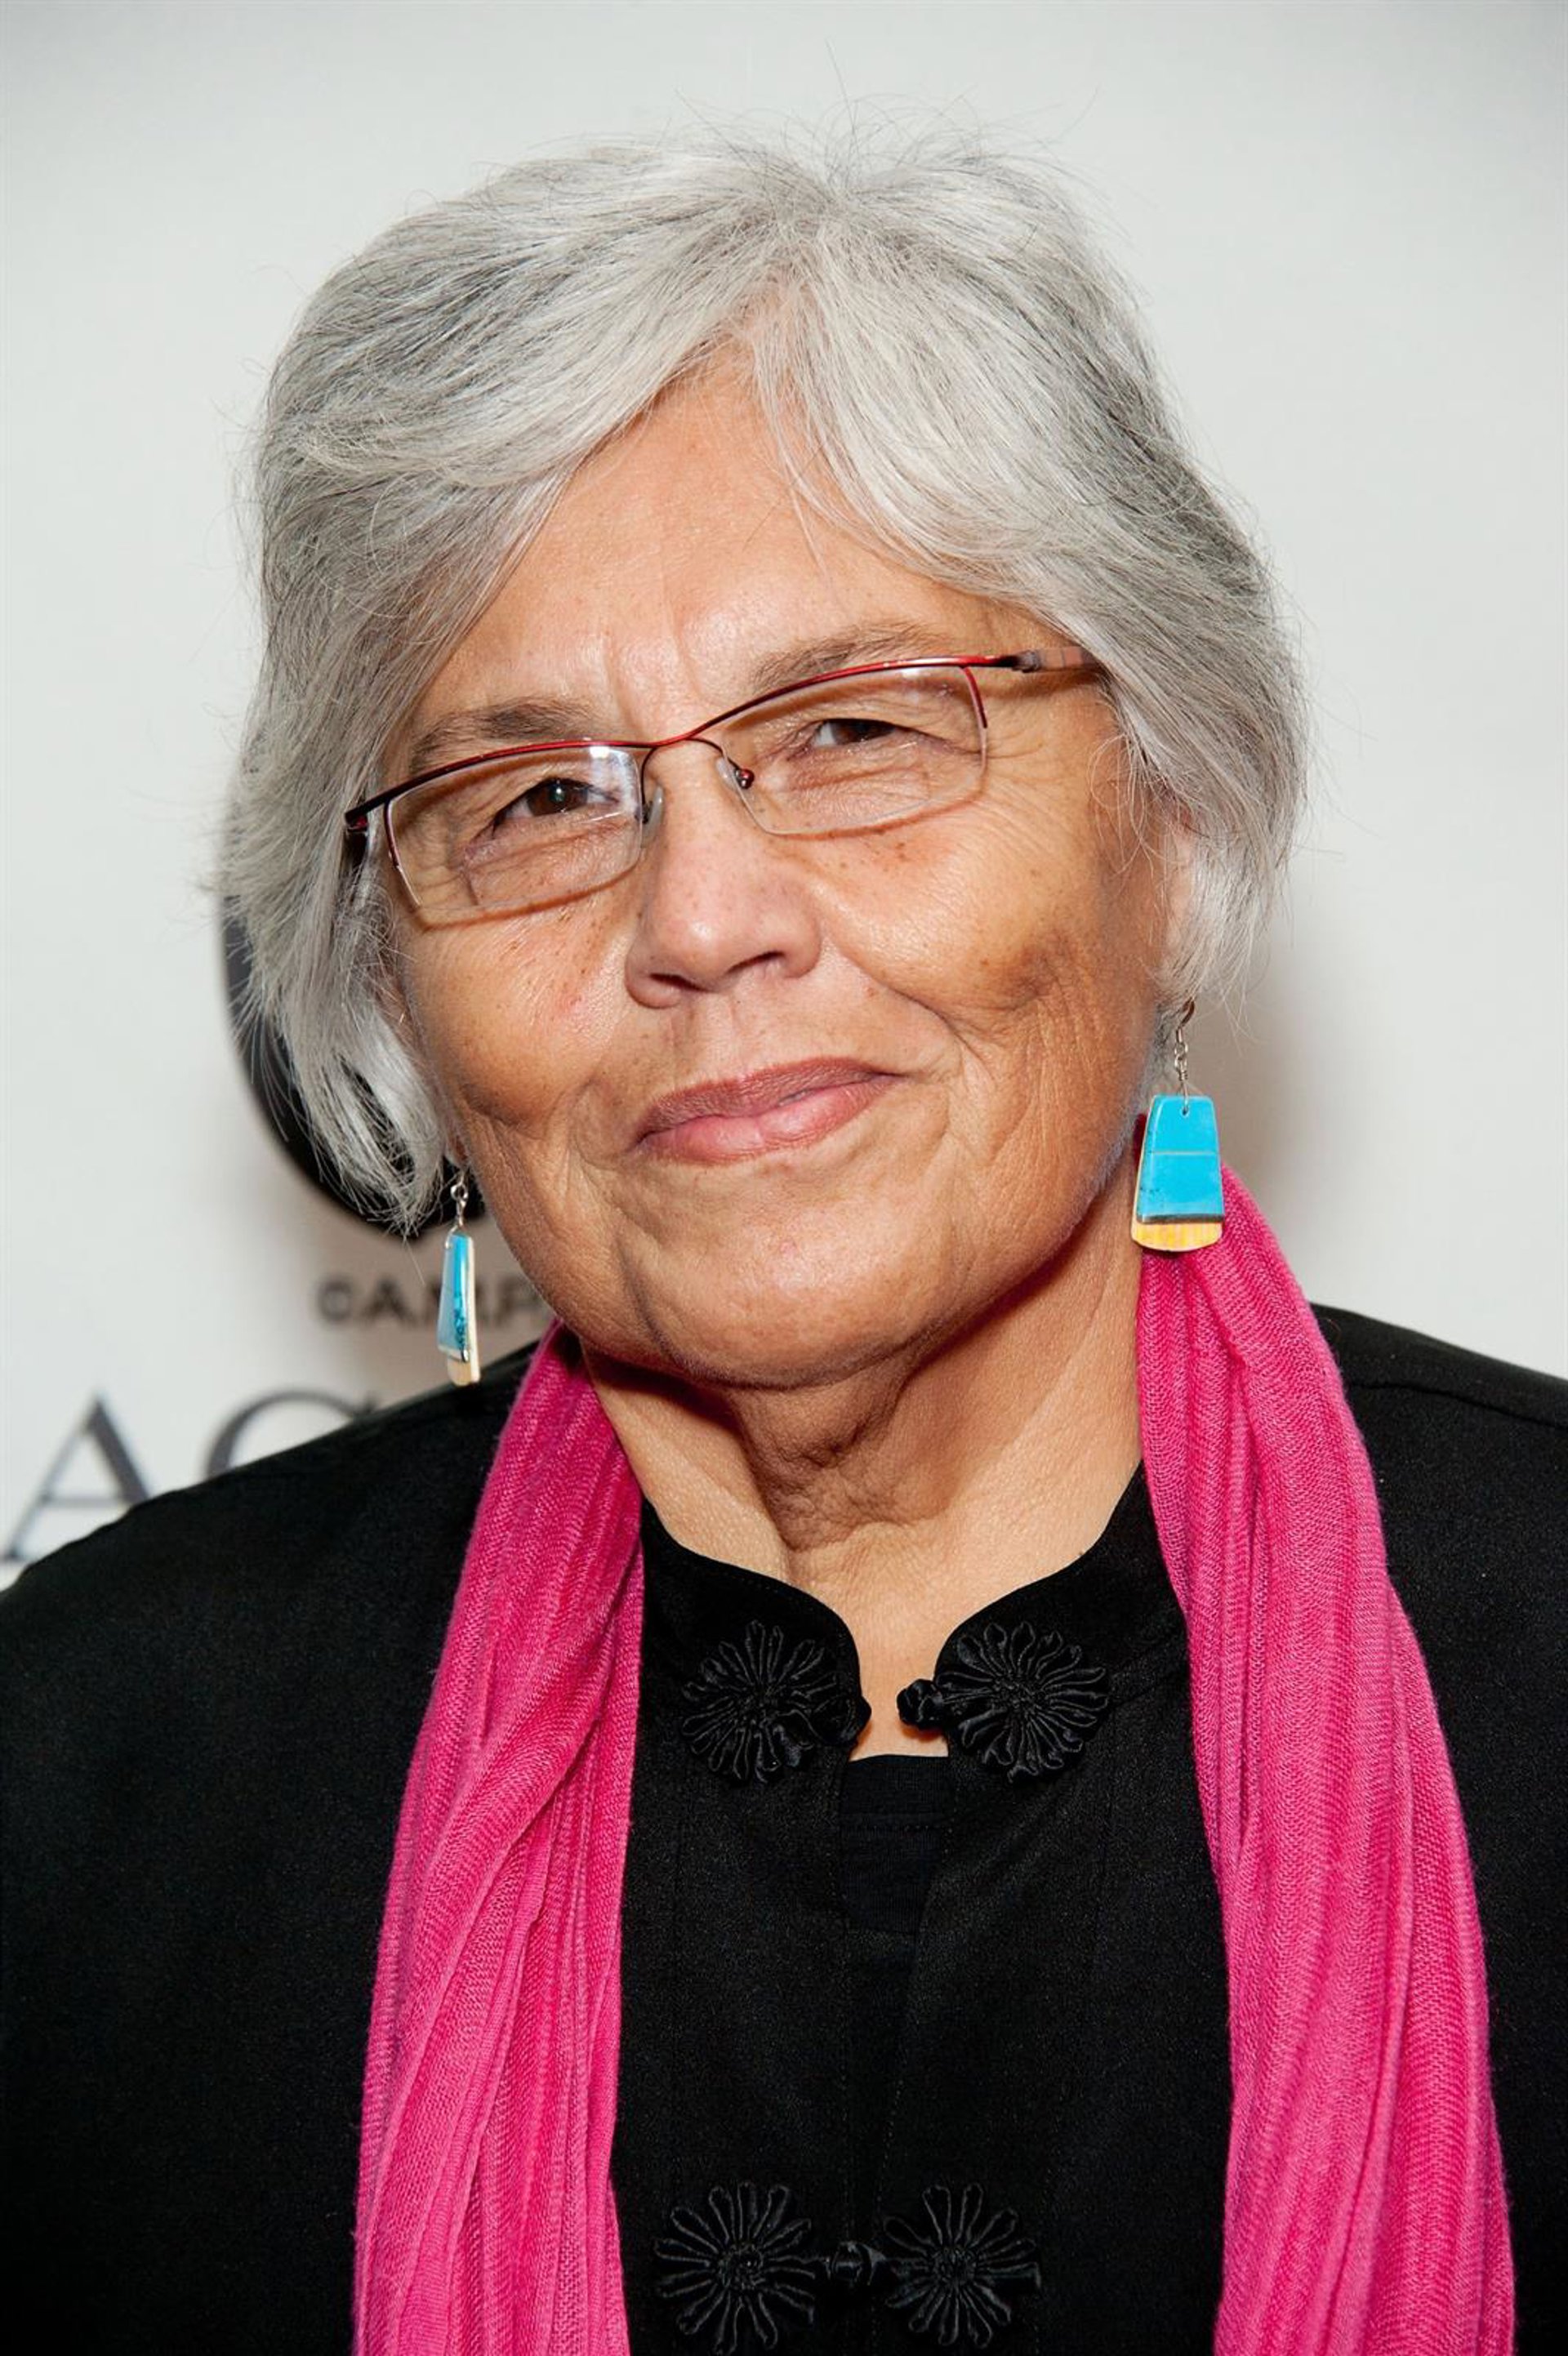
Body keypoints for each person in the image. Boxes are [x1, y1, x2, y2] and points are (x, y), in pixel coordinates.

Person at [2, 128, 1561, 2356]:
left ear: (1175, 820)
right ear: (390, 992)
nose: (703, 917)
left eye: (852, 729)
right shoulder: (96, 1774)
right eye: (535, 798)